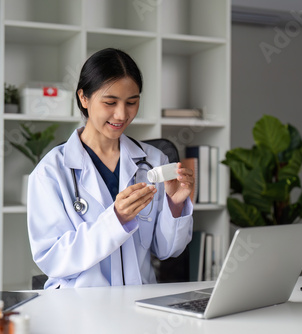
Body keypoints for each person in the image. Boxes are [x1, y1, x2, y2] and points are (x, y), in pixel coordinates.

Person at [27, 48, 194, 289]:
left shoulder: (154, 160)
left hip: (140, 302)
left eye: (132, 102)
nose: (121, 114)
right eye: (110, 102)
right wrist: (116, 220)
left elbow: (168, 250)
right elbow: (52, 258)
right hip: (80, 307)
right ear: (84, 98)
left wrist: (175, 206)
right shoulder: (51, 172)